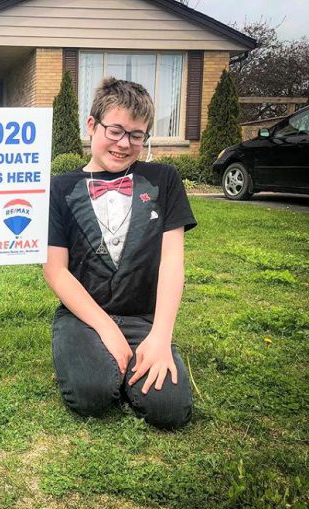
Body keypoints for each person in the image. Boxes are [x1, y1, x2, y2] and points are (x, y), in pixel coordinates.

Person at [44, 78, 196, 429]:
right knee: (91, 397)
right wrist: (107, 331)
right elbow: (55, 270)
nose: (124, 144)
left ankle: (128, 366)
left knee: (170, 411)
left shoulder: (164, 179)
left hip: (143, 317)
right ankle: (91, 360)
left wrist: (160, 337)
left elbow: (173, 262)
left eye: (136, 135)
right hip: (84, 317)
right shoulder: (59, 188)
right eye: (115, 131)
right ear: (92, 125)